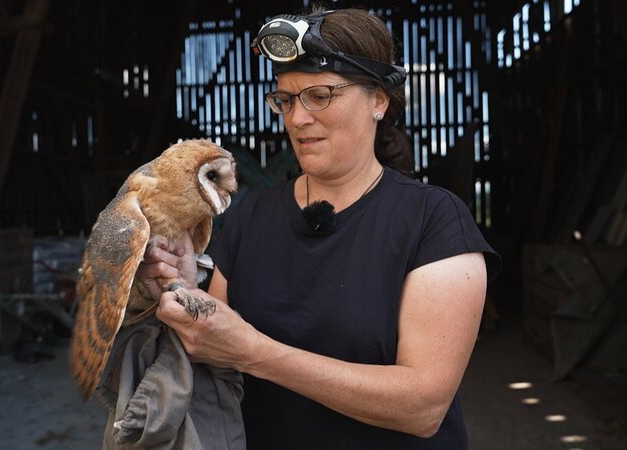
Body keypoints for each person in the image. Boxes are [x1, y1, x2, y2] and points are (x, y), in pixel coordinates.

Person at [144, 7, 500, 449]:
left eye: (320, 95)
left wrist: (257, 352)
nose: (297, 118)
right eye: (286, 100)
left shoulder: (434, 222)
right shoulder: (247, 219)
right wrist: (186, 293)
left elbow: (423, 407)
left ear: (379, 101)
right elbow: (216, 351)